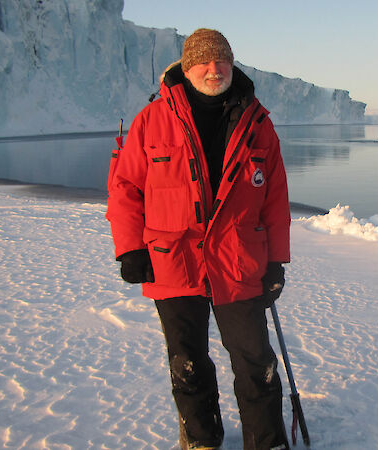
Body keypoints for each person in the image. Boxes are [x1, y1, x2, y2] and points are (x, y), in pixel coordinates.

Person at [106, 28, 291, 450]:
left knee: (255, 362)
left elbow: (276, 201)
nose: (214, 69)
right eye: (204, 62)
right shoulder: (151, 121)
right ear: (187, 68)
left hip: (240, 261)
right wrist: (130, 248)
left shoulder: (258, 124)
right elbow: (125, 189)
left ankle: (267, 442)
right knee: (187, 363)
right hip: (173, 261)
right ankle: (202, 440)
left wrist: (276, 261)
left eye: (221, 60)